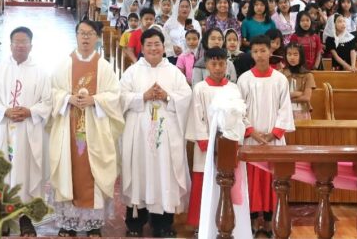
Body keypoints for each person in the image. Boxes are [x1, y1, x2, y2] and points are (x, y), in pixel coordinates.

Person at [49, 20, 124, 237]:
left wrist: (95, 100)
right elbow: (52, 92)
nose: (85, 38)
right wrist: (67, 98)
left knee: (93, 171)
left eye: (90, 34)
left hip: (96, 129)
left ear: (98, 37)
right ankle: (69, 222)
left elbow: (114, 96)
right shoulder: (64, 64)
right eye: (82, 33)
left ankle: (92, 225)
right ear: (76, 35)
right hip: (68, 127)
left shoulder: (104, 67)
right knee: (68, 169)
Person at [119, 28, 191, 238]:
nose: (153, 48)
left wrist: (168, 97)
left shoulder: (173, 71)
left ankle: (163, 224)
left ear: (163, 46)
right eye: (148, 44)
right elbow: (120, 97)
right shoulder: (133, 71)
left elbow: (186, 96)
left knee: (164, 174)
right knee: (139, 172)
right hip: (139, 135)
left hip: (166, 136)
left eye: (157, 44)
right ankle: (135, 222)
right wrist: (143, 96)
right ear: (142, 47)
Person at [0, 26, 52, 237]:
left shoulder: (41, 72)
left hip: (28, 131)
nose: (20, 46)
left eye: (24, 42)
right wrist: (5, 111)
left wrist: (30, 111)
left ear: (31, 45)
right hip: (3, 128)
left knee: (26, 173)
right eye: (16, 42)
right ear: (10, 44)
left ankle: (25, 219)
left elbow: (48, 102)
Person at [236, 35, 295, 235]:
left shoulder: (279, 79)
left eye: (263, 51)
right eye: (256, 51)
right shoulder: (244, 79)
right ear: (251, 54)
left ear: (270, 52)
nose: (260, 55)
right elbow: (238, 110)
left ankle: (270, 222)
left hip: (273, 140)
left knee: (273, 182)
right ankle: (252, 222)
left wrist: (274, 134)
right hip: (251, 139)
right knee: (251, 182)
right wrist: (251, 130)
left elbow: (285, 108)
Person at [185, 47, 242, 232]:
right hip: (206, 148)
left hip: (228, 146)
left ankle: (227, 223)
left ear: (227, 64)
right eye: (214, 64)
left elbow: (239, 115)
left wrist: (232, 140)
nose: (218, 68)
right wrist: (206, 142)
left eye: (222, 64)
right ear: (207, 65)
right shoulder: (200, 88)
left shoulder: (233, 88)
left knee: (227, 183)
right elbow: (197, 116)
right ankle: (200, 224)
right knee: (204, 182)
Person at [282, 44, 315, 120]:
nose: (292, 57)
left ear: (301, 56)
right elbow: (277, 96)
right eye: (289, 54)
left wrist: (287, 98)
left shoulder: (308, 75)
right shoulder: (281, 73)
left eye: (295, 54)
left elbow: (306, 97)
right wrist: (295, 94)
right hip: (284, 111)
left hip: (301, 111)